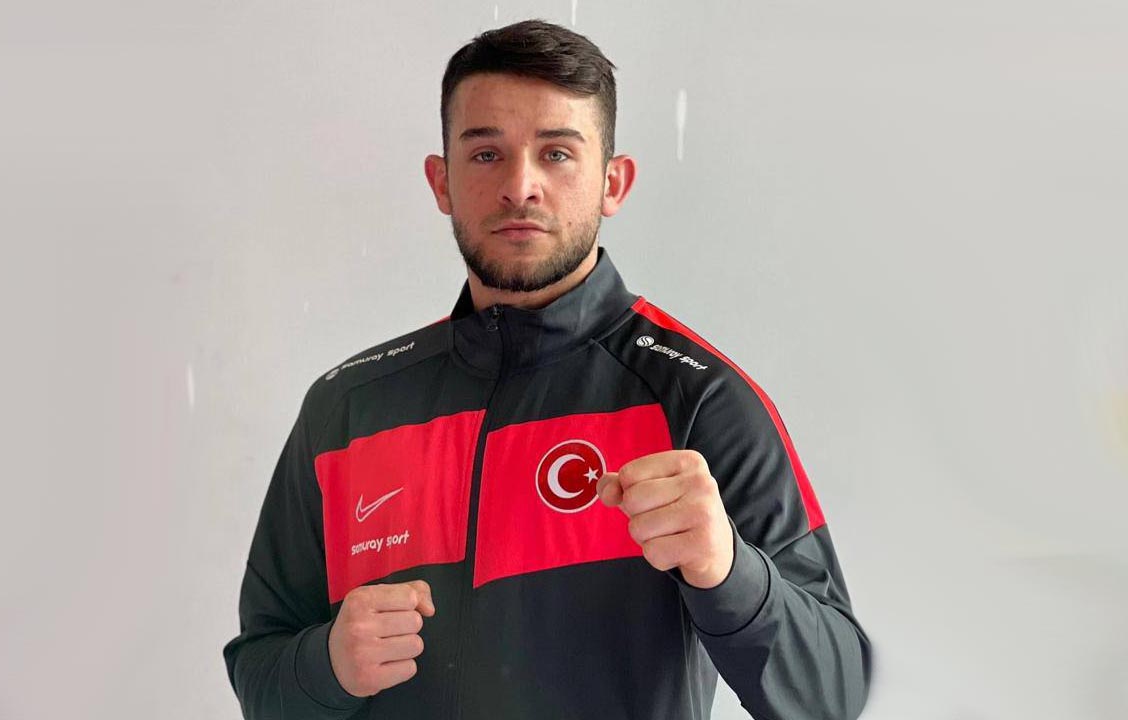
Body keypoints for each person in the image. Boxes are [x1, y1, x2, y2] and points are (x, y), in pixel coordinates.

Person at [223, 18, 872, 720]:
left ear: (613, 183)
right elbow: (260, 670)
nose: (520, 186)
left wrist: (729, 571)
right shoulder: (347, 409)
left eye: (557, 153)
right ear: (441, 182)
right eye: (486, 154)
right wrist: (326, 666)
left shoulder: (697, 399)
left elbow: (833, 694)